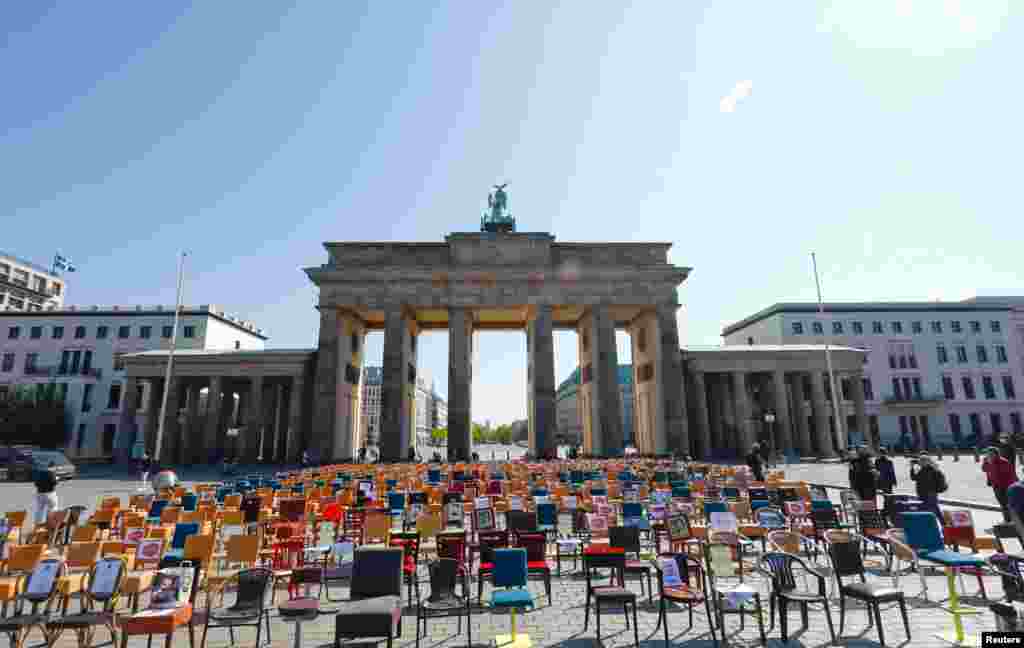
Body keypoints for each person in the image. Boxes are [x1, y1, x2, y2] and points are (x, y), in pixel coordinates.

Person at [983, 447, 1017, 522]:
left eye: (989, 453)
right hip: (996, 486)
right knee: (1002, 504)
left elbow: (1001, 474)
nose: (987, 455)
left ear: (995, 454)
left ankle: (1010, 520)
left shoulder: (1002, 462)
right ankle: (1008, 519)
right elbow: (984, 469)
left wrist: (991, 463)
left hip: (1005, 486)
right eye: (987, 454)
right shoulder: (989, 461)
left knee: (1006, 504)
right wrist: (986, 462)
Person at [910, 453, 947, 520]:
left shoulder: (931, 470)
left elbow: (917, 479)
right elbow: (914, 478)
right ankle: (939, 522)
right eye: (920, 461)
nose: (920, 463)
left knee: (934, 509)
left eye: (921, 461)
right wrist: (912, 468)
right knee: (929, 509)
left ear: (926, 461)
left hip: (930, 493)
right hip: (924, 493)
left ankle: (943, 523)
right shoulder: (922, 470)